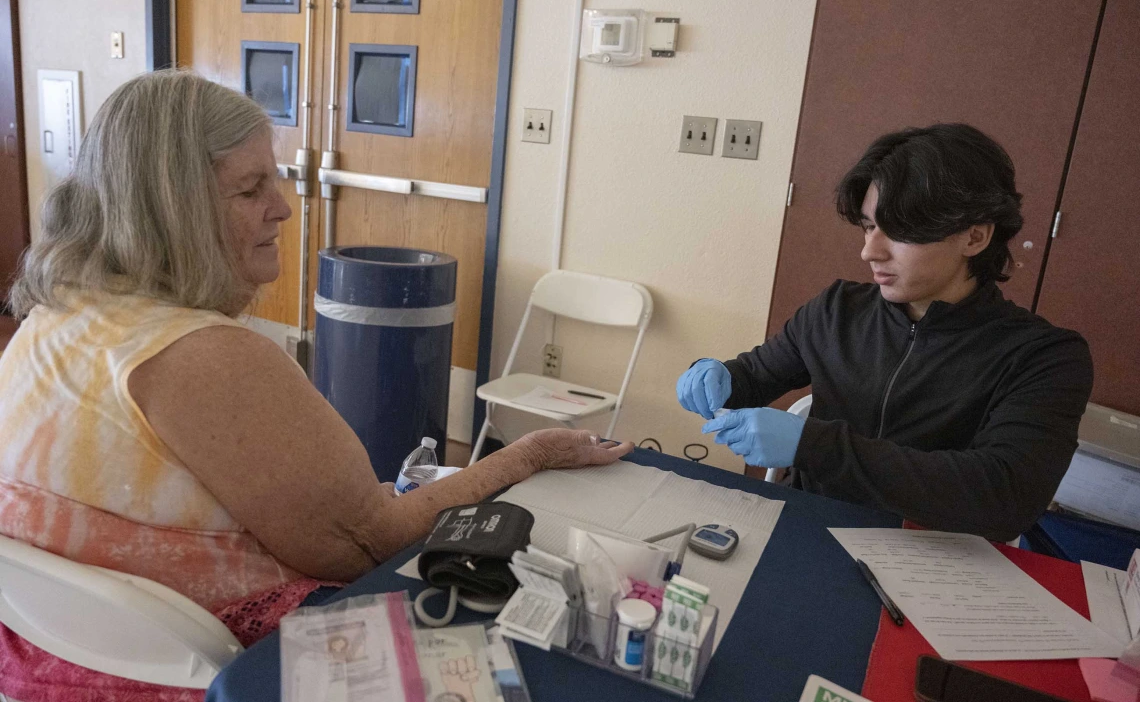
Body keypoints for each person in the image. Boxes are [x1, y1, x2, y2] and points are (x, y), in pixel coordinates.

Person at [0, 70, 631, 694]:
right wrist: (529, 453)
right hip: (207, 674)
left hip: (46, 659)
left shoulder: (54, 315)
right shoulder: (204, 356)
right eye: (250, 190)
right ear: (173, 213)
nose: (281, 208)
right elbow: (364, 546)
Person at [677, 124, 1092, 542]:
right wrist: (719, 376)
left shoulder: (1044, 357)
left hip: (938, 561)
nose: (870, 251)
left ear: (975, 236)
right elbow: (755, 376)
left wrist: (813, 445)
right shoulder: (837, 310)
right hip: (811, 530)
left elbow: (1005, 497)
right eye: (869, 226)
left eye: (898, 230)